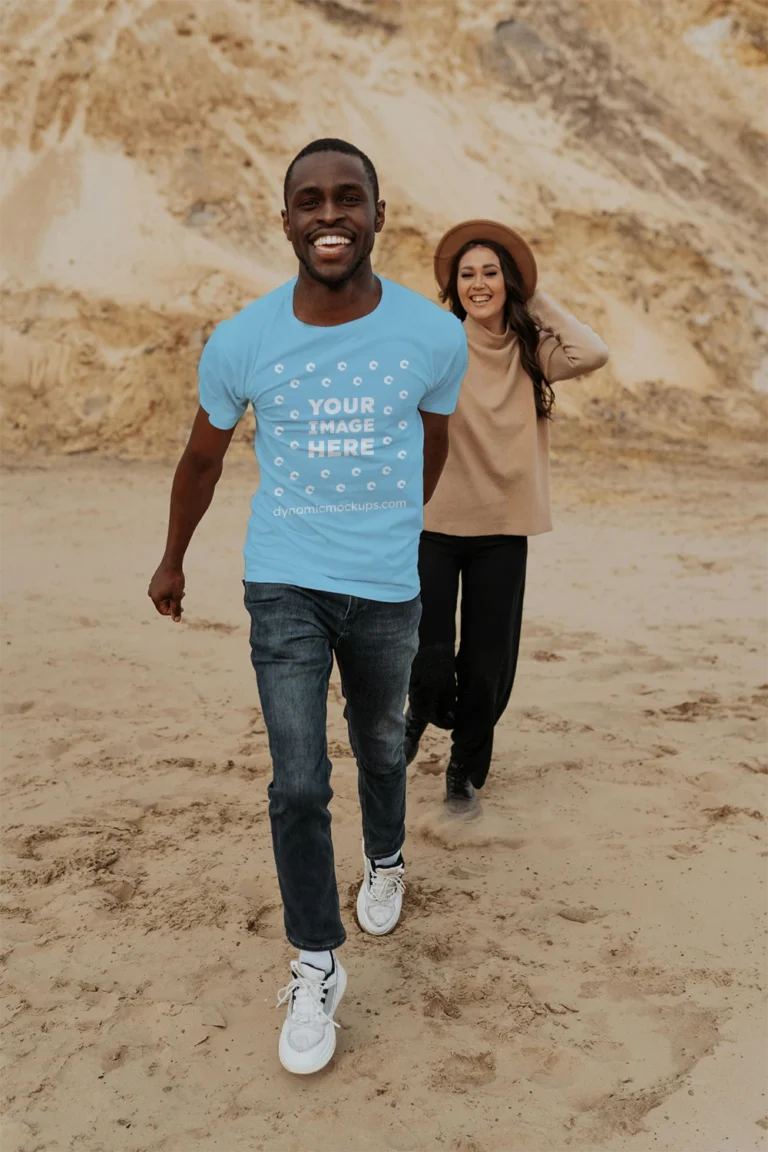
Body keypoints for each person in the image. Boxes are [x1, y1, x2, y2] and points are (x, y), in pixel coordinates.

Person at [148, 139, 467, 1075]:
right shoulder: (242, 339)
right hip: (282, 579)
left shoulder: (431, 336)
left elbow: (431, 445)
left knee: (378, 745)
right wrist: (173, 559)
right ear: (285, 219)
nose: (331, 216)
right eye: (310, 202)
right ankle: (315, 960)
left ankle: (385, 856)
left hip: (385, 587)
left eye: (348, 199)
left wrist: (402, 528)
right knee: (296, 779)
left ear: (378, 213)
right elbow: (203, 459)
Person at [404, 219, 609, 814]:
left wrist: (533, 295)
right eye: (466, 275)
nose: (478, 283)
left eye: (491, 272)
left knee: (486, 662)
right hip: (435, 526)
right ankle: (418, 711)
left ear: (508, 280)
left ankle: (462, 774)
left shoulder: (533, 350)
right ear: (454, 286)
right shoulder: (439, 343)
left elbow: (592, 352)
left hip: (502, 530)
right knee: (429, 651)